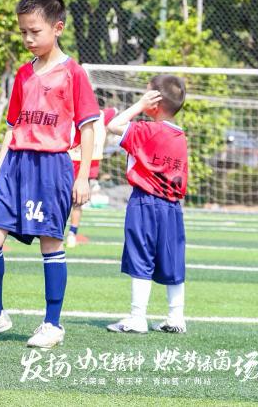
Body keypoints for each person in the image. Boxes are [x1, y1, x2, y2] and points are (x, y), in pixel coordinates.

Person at [0, 0, 99, 349]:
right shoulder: (22, 74)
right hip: (16, 164)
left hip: (52, 167)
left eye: (35, 31)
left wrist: (82, 176)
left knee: (50, 243)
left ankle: (52, 323)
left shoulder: (73, 74)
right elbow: (13, 126)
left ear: (58, 28)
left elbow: (87, 127)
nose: (28, 38)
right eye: (23, 32)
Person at [105, 75, 189, 334]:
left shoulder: (145, 130)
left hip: (145, 203)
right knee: (173, 258)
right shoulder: (181, 136)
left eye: (146, 94)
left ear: (154, 102)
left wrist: (139, 106)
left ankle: (137, 317)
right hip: (173, 207)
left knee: (141, 256)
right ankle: (176, 317)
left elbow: (113, 124)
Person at [65, 107, 118, 248]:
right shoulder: (101, 114)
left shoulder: (95, 113)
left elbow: (114, 110)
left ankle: (71, 233)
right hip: (75, 161)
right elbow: (114, 110)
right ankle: (70, 233)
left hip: (79, 161)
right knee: (73, 201)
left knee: (76, 201)